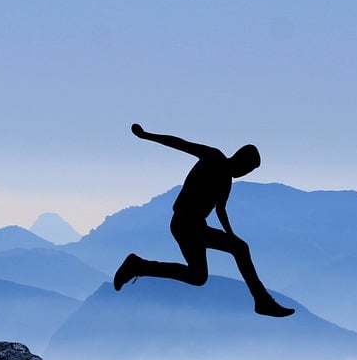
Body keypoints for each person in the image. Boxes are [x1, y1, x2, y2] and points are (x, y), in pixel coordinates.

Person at [113, 123, 294, 317]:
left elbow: (221, 210)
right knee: (240, 249)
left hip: (194, 226)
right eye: (247, 169)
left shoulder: (226, 181)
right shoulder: (213, 157)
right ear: (241, 160)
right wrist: (146, 135)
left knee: (198, 276)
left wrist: (230, 235)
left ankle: (139, 265)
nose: (245, 173)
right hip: (185, 224)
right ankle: (262, 301)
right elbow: (180, 144)